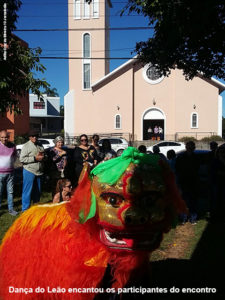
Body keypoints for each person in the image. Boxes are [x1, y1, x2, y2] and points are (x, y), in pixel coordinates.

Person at [175, 141, 200, 224]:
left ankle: (193, 218)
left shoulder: (196, 158)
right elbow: (177, 169)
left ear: (194, 148)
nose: (189, 148)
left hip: (193, 182)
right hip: (183, 182)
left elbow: (197, 169)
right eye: (188, 147)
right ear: (186, 147)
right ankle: (183, 218)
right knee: (183, 201)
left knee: (193, 201)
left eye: (191, 147)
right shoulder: (181, 157)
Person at [20, 131, 44, 211]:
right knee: (27, 192)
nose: (35, 137)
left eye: (36, 136)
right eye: (33, 136)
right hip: (29, 171)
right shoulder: (26, 146)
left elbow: (43, 155)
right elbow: (22, 159)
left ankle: (35, 209)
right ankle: (25, 210)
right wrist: (34, 158)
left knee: (38, 191)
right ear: (29, 137)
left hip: (39, 171)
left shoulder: (40, 145)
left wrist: (44, 157)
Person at [0, 130, 18, 216]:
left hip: (10, 173)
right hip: (0, 174)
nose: (4, 139)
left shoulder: (13, 146)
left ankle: (11, 209)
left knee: (10, 192)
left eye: (6, 137)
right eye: (2, 137)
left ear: (8, 137)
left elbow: (14, 157)